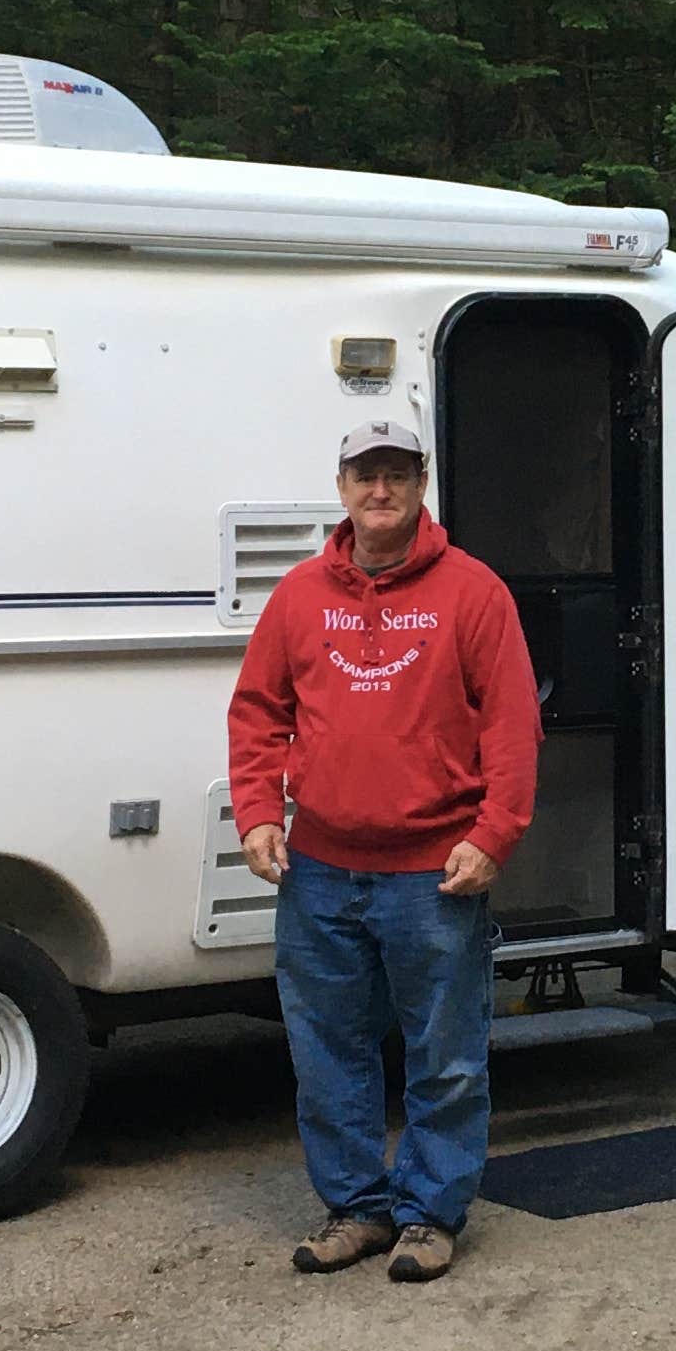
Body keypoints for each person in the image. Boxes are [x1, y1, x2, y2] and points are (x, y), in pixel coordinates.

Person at [227, 418, 539, 1284]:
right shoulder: (298, 597)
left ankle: (430, 1216)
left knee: (444, 1055)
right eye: (366, 474)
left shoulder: (473, 594)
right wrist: (258, 813)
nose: (380, 490)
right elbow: (258, 712)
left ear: (420, 484)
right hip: (319, 869)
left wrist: (493, 834)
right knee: (327, 1053)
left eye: (397, 474)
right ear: (342, 486)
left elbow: (513, 728)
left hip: (435, 872)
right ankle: (355, 1210)